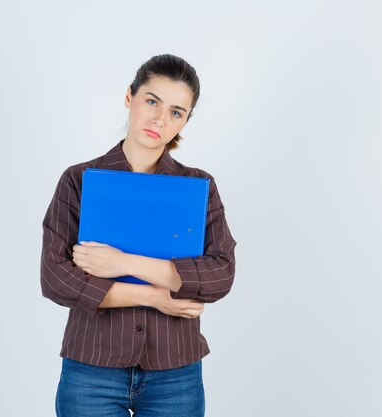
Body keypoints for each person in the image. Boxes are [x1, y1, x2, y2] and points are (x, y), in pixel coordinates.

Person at [40, 53, 237, 417]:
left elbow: (220, 274)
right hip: (91, 370)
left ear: (184, 122)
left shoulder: (198, 187)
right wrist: (155, 297)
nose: (160, 119)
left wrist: (122, 263)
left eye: (176, 112)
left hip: (176, 373)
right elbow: (55, 279)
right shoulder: (78, 180)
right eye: (152, 101)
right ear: (129, 97)